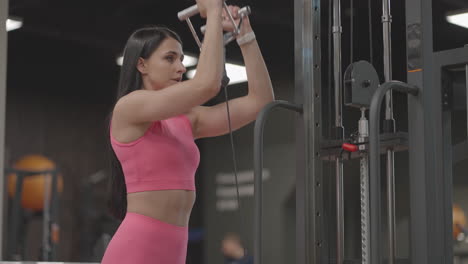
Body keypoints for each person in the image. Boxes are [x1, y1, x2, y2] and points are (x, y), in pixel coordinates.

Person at [101, 0, 274, 262]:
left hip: (174, 250)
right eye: (169, 58)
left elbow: (260, 102)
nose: (181, 67)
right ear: (142, 64)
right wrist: (215, 12)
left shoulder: (186, 119)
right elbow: (207, 85)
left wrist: (245, 34)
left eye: (181, 59)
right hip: (136, 249)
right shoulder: (129, 107)